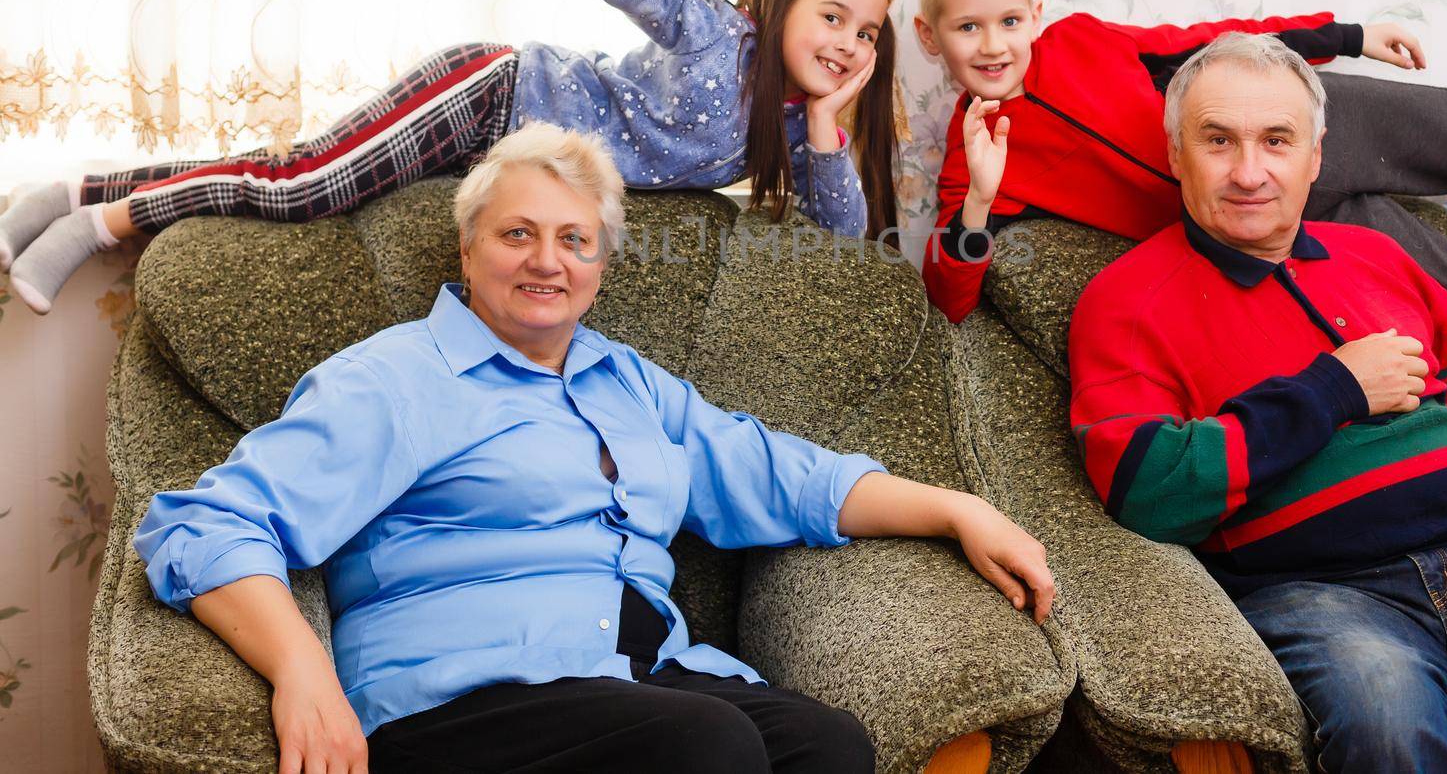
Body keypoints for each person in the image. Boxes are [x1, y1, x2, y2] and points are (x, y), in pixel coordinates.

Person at [134, 122, 1055, 774]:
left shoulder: (624, 380)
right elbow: (207, 522)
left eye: (574, 239)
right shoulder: (397, 379)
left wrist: (956, 506)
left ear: (601, 265)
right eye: (518, 233)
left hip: (641, 682)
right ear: (468, 249)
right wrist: (301, 672)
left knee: (829, 747)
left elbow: (775, 473)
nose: (548, 260)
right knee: (708, 747)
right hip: (461, 697)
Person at [0, 0, 901, 314]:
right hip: (493, 94)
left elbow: (841, 238)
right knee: (305, 185)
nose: (846, 42)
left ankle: (75, 191)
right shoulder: (717, 33)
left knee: (292, 169)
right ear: (782, 4)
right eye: (833, 16)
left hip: (500, 143)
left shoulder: (788, 129)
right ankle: (102, 225)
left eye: (866, 35)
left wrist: (826, 123)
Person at [1067, 33, 1447, 772]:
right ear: (1175, 155)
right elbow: (1148, 490)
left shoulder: (1380, 256)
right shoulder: (1125, 302)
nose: (1249, 171)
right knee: (1385, 734)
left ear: (1315, 157)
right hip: (1319, 592)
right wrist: (1334, 389)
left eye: (1276, 141)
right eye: (1217, 140)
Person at [914, 0, 1447, 331]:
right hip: (1282, 219)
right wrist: (979, 197)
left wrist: (1350, 35)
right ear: (929, 35)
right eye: (967, 27)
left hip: (1312, 123)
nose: (993, 45)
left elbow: (1211, 39)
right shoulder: (969, 161)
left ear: (1034, 14)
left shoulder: (1085, 40)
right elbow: (951, 298)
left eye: (1007, 21)